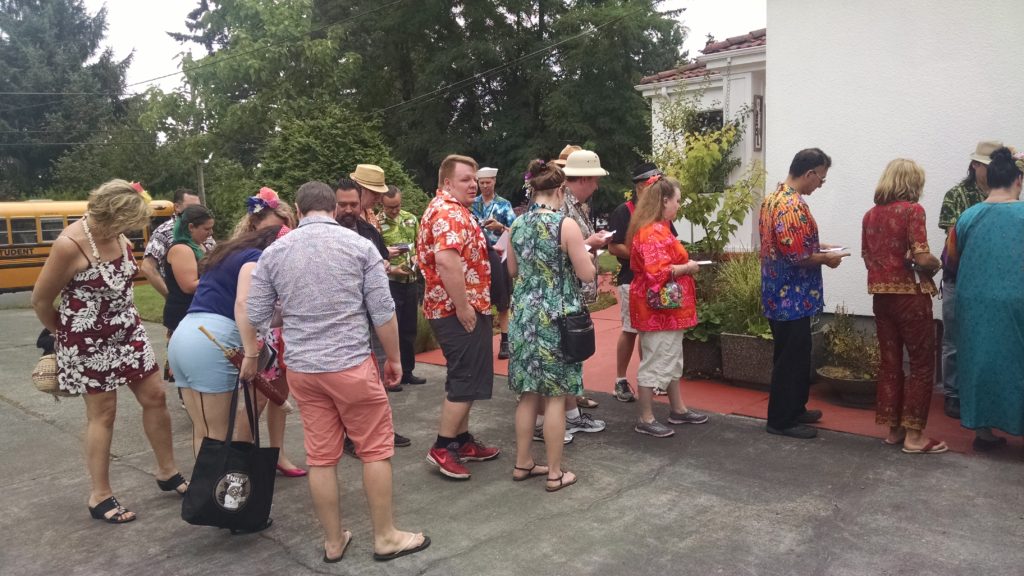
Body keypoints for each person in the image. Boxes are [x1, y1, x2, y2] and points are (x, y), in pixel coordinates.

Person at [248, 181, 430, 562]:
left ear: (297, 211)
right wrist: (395, 359)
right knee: (375, 450)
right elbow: (383, 311)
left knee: (321, 456)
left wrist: (293, 312)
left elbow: (258, 314)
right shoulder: (360, 247)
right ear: (333, 209)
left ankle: (333, 542)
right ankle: (385, 536)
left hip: (302, 369)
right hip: (351, 365)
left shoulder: (275, 252)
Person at [31, 179, 187, 524]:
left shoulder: (118, 237)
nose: (133, 229)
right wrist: (65, 335)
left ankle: (168, 471)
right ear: (113, 215)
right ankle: (99, 494)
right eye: (130, 222)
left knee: (155, 397)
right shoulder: (69, 245)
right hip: (87, 341)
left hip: (128, 332)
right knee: (104, 413)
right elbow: (40, 300)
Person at [168, 225, 287, 474]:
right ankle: (221, 504)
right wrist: (252, 354)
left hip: (186, 335)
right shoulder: (257, 259)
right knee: (217, 435)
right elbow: (243, 304)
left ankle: (206, 501)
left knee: (204, 431)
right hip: (213, 340)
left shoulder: (231, 254)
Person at [507, 160, 595, 492]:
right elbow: (586, 274)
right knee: (556, 397)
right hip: (557, 319)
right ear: (560, 191)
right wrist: (588, 256)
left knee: (528, 394)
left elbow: (513, 271)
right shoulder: (566, 225)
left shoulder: (517, 225)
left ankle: (523, 463)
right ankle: (556, 473)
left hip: (524, 318)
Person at [416, 154, 500, 480]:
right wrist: (464, 307)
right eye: (466, 179)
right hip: (457, 311)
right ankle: (442, 446)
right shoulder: (448, 212)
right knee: (466, 378)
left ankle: (462, 441)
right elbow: (447, 261)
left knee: (465, 378)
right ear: (447, 182)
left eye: (475, 179)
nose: (474, 185)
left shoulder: (455, 210)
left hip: (463, 307)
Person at [759, 148, 847, 439]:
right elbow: (797, 256)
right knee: (790, 357)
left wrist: (822, 248)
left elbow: (793, 247)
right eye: (820, 179)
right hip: (790, 297)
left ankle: (795, 408)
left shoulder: (775, 198)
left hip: (783, 293)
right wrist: (827, 258)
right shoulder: (790, 205)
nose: (820, 185)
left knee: (796, 353)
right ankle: (781, 419)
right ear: (809, 173)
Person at [861, 159, 946, 454]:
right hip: (911, 297)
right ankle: (915, 437)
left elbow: (868, 257)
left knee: (890, 364)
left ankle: (893, 430)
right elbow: (922, 258)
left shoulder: (869, 216)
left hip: (881, 298)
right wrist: (938, 263)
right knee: (922, 364)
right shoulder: (913, 211)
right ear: (912, 184)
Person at [945, 146, 1024, 452]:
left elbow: (951, 261)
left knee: (979, 362)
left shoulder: (967, 216)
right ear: (1017, 180)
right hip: (1017, 299)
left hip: (974, 301)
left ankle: (984, 431)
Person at [626, 176, 709, 437]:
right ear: (664, 201)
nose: (678, 205)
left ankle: (678, 409)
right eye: (677, 200)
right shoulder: (652, 232)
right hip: (659, 310)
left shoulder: (655, 228)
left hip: (665, 309)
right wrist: (688, 267)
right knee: (656, 358)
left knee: (670, 356)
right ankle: (645, 417)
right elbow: (657, 273)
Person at [232, 187, 305, 477]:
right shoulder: (247, 253)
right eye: (277, 223)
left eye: (287, 223)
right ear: (256, 223)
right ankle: (239, 460)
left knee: (279, 395)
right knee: (257, 397)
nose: (283, 229)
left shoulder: (285, 244)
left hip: (283, 330)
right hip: (258, 333)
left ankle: (278, 453)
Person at [336, 178, 412, 451]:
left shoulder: (368, 230)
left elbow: (382, 265)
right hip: (344, 320)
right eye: (342, 204)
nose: (348, 210)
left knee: (378, 375)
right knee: (350, 382)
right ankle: (351, 436)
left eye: (352, 204)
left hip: (374, 313)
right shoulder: (327, 235)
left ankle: (382, 430)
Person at [937, 140, 1000, 419]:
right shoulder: (957, 194)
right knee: (954, 338)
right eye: (987, 165)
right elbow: (954, 236)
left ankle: (983, 393)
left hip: (992, 277)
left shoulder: (1005, 194)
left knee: (987, 338)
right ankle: (953, 393)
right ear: (975, 165)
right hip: (959, 274)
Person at [556, 149, 611, 428]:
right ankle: (566, 417)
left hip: (576, 292)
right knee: (568, 353)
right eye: (594, 180)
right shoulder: (562, 206)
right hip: (567, 292)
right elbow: (561, 251)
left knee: (573, 354)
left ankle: (572, 413)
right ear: (584, 179)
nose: (597, 186)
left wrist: (590, 243)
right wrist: (591, 243)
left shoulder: (575, 205)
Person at [607, 162, 664, 403]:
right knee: (631, 330)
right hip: (631, 280)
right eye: (654, 186)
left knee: (649, 331)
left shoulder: (659, 211)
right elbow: (612, 247)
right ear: (641, 187)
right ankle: (620, 380)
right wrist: (642, 255)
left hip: (655, 280)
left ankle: (648, 378)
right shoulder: (624, 211)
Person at [378, 185, 426, 385]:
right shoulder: (376, 224)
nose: (394, 210)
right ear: (382, 204)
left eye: (397, 206)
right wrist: (391, 269)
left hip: (411, 280)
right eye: (390, 207)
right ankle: (391, 375)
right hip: (390, 282)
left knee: (409, 329)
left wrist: (416, 260)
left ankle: (407, 371)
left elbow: (419, 244)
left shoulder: (411, 219)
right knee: (392, 330)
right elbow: (375, 255)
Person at [471, 167, 517, 360]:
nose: (484, 186)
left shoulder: (504, 205)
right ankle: (482, 340)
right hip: (477, 257)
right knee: (481, 299)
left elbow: (515, 230)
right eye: (481, 183)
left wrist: (500, 227)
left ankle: (505, 340)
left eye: (488, 182)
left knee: (503, 300)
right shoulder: (472, 204)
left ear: (494, 182)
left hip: (499, 256)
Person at [140, 187, 215, 297]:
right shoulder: (164, 232)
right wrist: (169, 295)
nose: (197, 211)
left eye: (199, 207)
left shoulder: (203, 228)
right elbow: (147, 267)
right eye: (191, 207)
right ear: (177, 207)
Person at [162, 204, 214, 336]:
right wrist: (218, 276)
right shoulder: (182, 250)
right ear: (191, 227)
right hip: (184, 315)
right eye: (206, 229)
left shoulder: (199, 246)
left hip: (197, 313)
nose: (211, 233)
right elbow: (189, 286)